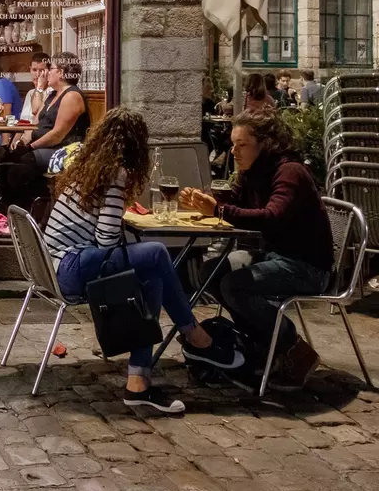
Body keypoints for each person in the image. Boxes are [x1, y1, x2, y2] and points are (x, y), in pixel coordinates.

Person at [44, 108, 241, 412]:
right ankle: (194, 335)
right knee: (157, 253)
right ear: (137, 146)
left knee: (152, 276)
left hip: (57, 266)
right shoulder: (114, 174)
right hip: (72, 266)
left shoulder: (87, 169)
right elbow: (107, 240)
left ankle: (139, 381)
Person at [180, 109, 331, 389]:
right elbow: (235, 204)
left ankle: (293, 347)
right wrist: (206, 202)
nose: (234, 150)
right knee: (211, 272)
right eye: (233, 144)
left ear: (265, 144)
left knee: (234, 286)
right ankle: (260, 343)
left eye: (242, 144)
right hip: (274, 256)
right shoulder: (251, 172)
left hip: (306, 264)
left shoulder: (289, 172)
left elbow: (271, 217)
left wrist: (219, 209)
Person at [19, 51, 90, 169]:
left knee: (23, 161)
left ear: (61, 73)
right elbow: (35, 120)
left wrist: (30, 147)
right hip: (41, 146)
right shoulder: (52, 94)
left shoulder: (72, 95)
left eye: (51, 68)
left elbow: (57, 135)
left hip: (63, 150)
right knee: (3, 155)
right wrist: (22, 142)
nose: (46, 73)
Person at [19, 53, 50, 123]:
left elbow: (36, 111)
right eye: (34, 70)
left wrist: (40, 86)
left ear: (48, 71)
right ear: (30, 70)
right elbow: (23, 122)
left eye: (42, 70)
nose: (37, 74)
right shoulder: (30, 92)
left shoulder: (52, 92)